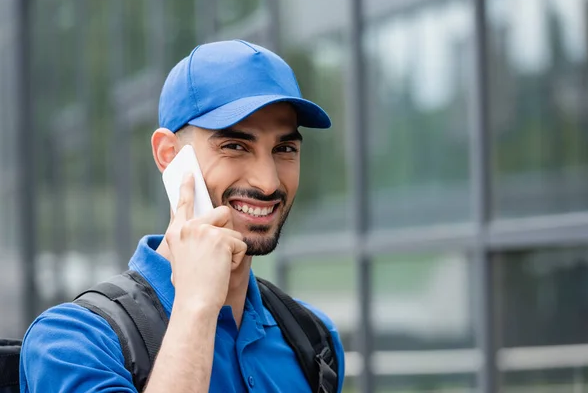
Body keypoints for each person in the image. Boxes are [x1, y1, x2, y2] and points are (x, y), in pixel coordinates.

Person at [19, 40, 345, 392]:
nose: (267, 183)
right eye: (234, 146)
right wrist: (197, 306)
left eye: (284, 149)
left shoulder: (315, 341)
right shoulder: (72, 343)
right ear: (168, 155)